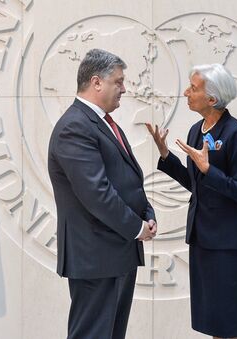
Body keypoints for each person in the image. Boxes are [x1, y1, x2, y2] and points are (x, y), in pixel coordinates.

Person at [48, 48, 157, 339]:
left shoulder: (104, 123)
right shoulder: (75, 126)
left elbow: (126, 180)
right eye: (118, 82)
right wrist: (136, 228)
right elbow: (96, 192)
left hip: (116, 253)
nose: (124, 88)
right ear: (97, 82)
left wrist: (147, 214)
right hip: (95, 258)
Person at [146, 63, 237, 339]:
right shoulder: (197, 130)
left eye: (193, 88)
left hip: (228, 242)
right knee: (214, 320)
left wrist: (209, 170)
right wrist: (166, 156)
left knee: (232, 322)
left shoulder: (235, 134)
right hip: (203, 237)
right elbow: (195, 185)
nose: (186, 92)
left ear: (212, 99)